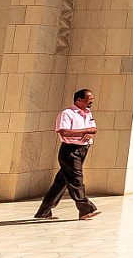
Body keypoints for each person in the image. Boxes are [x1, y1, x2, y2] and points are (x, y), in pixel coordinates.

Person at [35, 88, 101, 221]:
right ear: (79, 100)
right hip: (70, 151)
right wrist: (86, 130)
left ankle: (44, 211)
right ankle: (85, 209)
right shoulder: (67, 114)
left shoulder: (88, 113)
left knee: (61, 183)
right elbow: (64, 132)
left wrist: (89, 133)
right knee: (76, 180)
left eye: (92, 99)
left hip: (83, 150)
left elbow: (94, 129)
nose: (91, 101)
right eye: (89, 99)